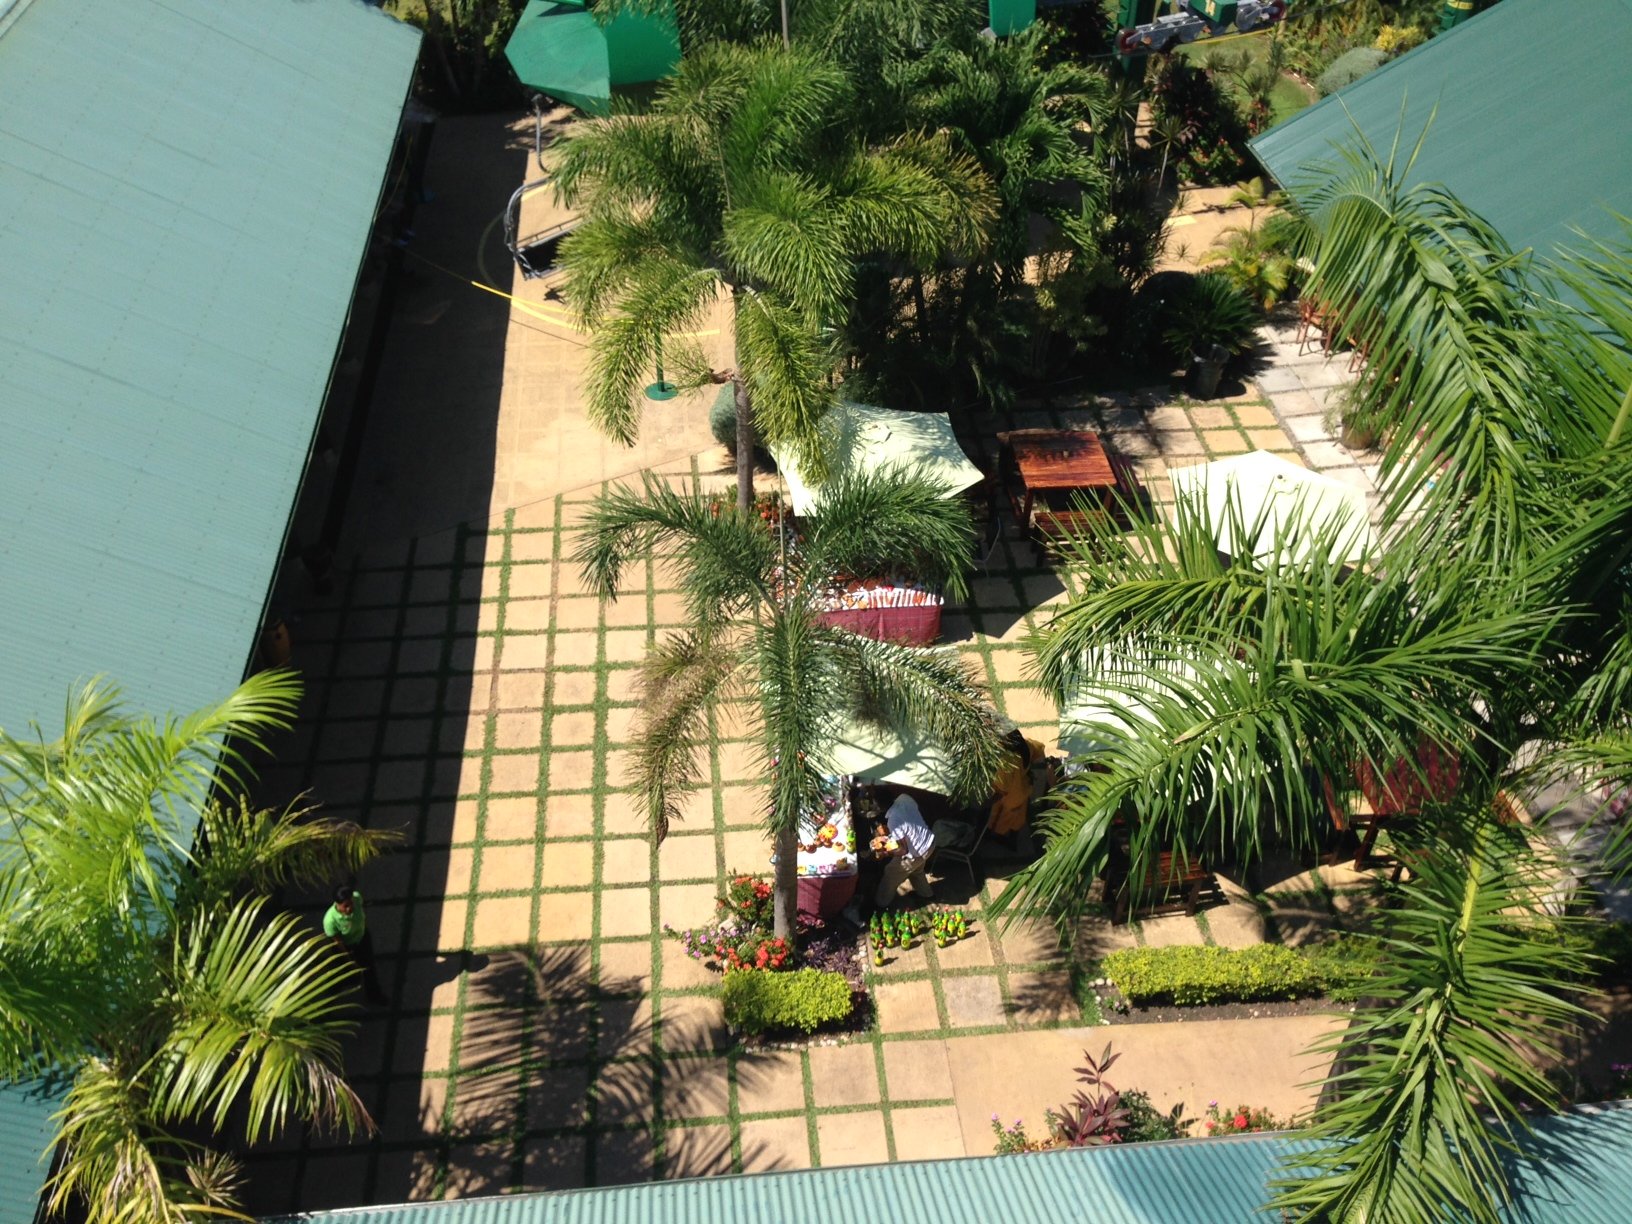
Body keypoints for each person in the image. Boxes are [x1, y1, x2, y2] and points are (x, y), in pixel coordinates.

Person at [324, 884, 389, 1005]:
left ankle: (374, 996)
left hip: (362, 939)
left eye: (351, 903)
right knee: (346, 975)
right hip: (346, 948)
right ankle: (328, 998)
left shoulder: (357, 898)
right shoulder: (330, 920)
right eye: (346, 906)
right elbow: (338, 942)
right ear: (337, 905)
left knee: (369, 969)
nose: (350, 908)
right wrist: (349, 960)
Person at [873, 789, 936, 909]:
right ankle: (926, 895)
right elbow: (910, 822)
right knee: (916, 870)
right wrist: (892, 837)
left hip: (918, 851)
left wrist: (885, 853)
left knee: (891, 872)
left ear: (881, 806)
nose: (875, 807)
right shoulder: (904, 797)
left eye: (876, 805)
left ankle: (880, 904)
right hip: (929, 841)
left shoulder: (893, 821)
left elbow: (903, 851)